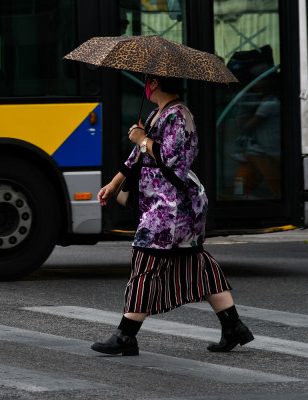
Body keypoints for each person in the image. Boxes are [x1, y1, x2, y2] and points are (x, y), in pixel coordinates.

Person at [93, 74, 254, 356]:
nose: (144, 85)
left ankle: (126, 335)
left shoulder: (180, 116)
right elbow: (137, 157)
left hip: (173, 207)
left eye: (146, 81)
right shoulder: (159, 113)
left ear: (154, 83)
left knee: (145, 262)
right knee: (197, 264)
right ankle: (233, 327)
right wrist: (113, 184)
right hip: (162, 204)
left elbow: (173, 161)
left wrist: (143, 139)